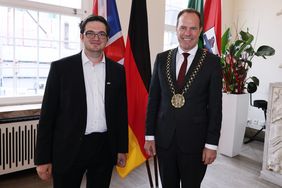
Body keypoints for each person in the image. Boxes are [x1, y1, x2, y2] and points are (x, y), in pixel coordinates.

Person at [34, 15, 128, 188]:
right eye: (90, 33)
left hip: (104, 148)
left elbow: (121, 113)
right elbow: (47, 117)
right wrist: (42, 158)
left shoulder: (118, 71)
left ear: (107, 39)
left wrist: (122, 148)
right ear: (81, 36)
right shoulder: (61, 69)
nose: (96, 38)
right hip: (69, 148)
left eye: (101, 34)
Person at [144, 8, 222, 188]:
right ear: (176, 29)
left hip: (195, 144)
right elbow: (153, 100)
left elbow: (215, 107)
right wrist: (149, 136)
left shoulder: (212, 63)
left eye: (193, 28)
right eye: (183, 28)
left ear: (200, 30)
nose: (188, 33)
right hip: (165, 141)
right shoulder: (162, 59)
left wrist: (212, 144)